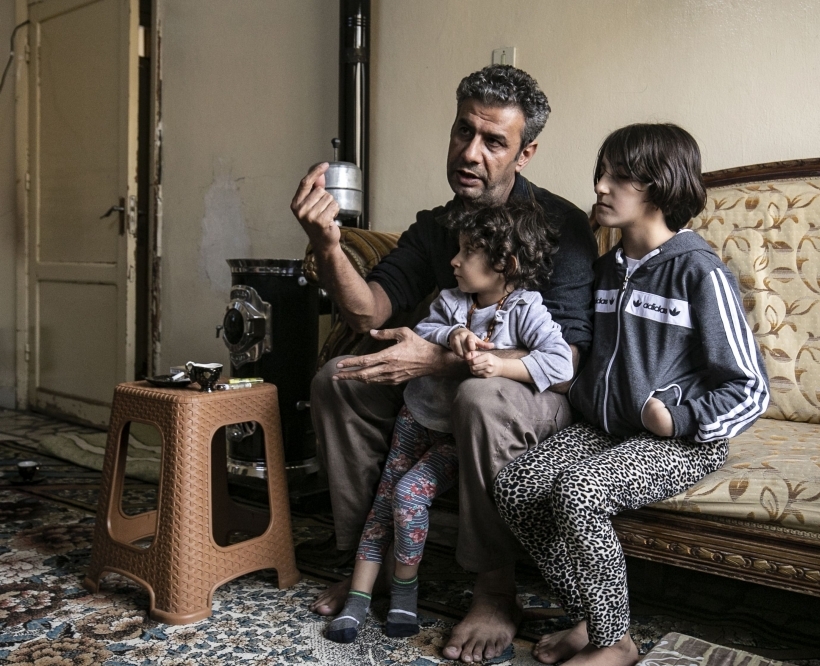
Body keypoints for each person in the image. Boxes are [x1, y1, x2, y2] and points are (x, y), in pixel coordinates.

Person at [290, 64, 598, 663]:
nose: (470, 152)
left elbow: (568, 360)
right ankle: (365, 564)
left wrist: (440, 359)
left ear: (525, 152)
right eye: (463, 132)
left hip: (527, 388)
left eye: (493, 141)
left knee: (478, 398)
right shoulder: (437, 226)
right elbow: (366, 311)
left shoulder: (560, 228)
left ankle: (494, 589)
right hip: (442, 382)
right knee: (338, 380)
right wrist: (327, 246)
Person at [493, 123, 770, 666]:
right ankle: (594, 621)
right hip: (604, 428)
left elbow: (751, 388)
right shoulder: (604, 271)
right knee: (517, 487)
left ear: (661, 188)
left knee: (579, 491)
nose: (600, 186)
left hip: (679, 441)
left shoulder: (698, 273)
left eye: (619, 177)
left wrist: (682, 418)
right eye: (601, 172)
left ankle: (614, 644)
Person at [326, 201, 574, 643]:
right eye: (456, 249)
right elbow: (427, 331)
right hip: (415, 418)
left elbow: (561, 364)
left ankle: (406, 592)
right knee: (385, 500)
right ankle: (360, 597)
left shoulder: (527, 309)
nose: (454, 261)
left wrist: (499, 366)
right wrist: (452, 335)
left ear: (506, 264)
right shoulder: (452, 301)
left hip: (454, 438)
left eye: (467, 252)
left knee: (406, 494)